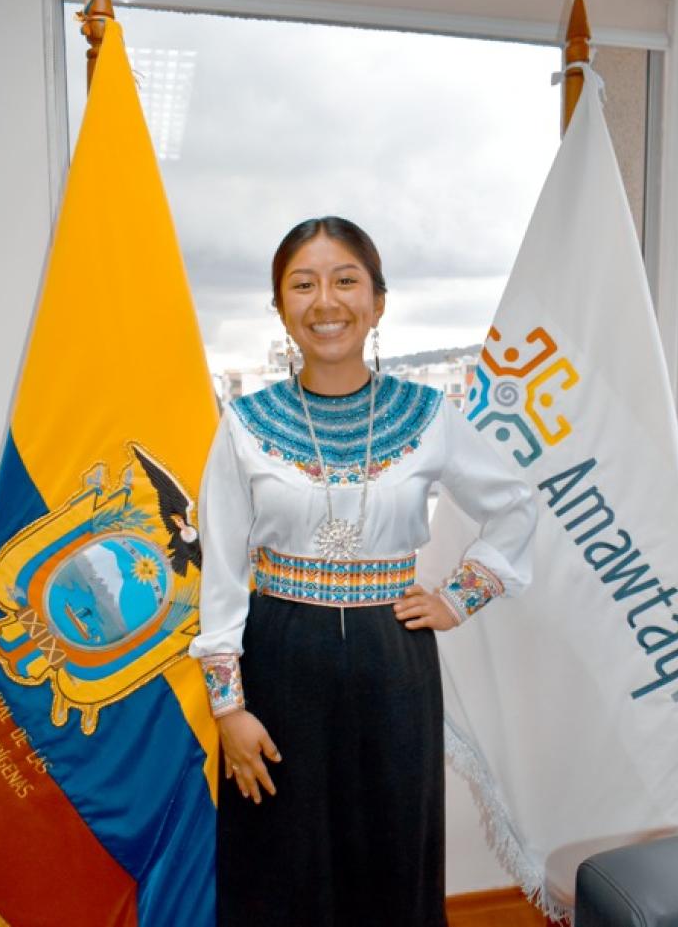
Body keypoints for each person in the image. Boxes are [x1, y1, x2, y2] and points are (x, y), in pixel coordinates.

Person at [187, 215, 538, 927]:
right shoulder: (246, 425)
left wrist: (457, 596)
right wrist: (228, 707)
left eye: (345, 280)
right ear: (280, 305)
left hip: (393, 656)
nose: (326, 301)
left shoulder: (428, 413)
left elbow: (514, 504)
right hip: (278, 655)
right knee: (279, 861)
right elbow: (221, 570)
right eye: (303, 283)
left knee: (392, 852)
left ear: (378, 300)